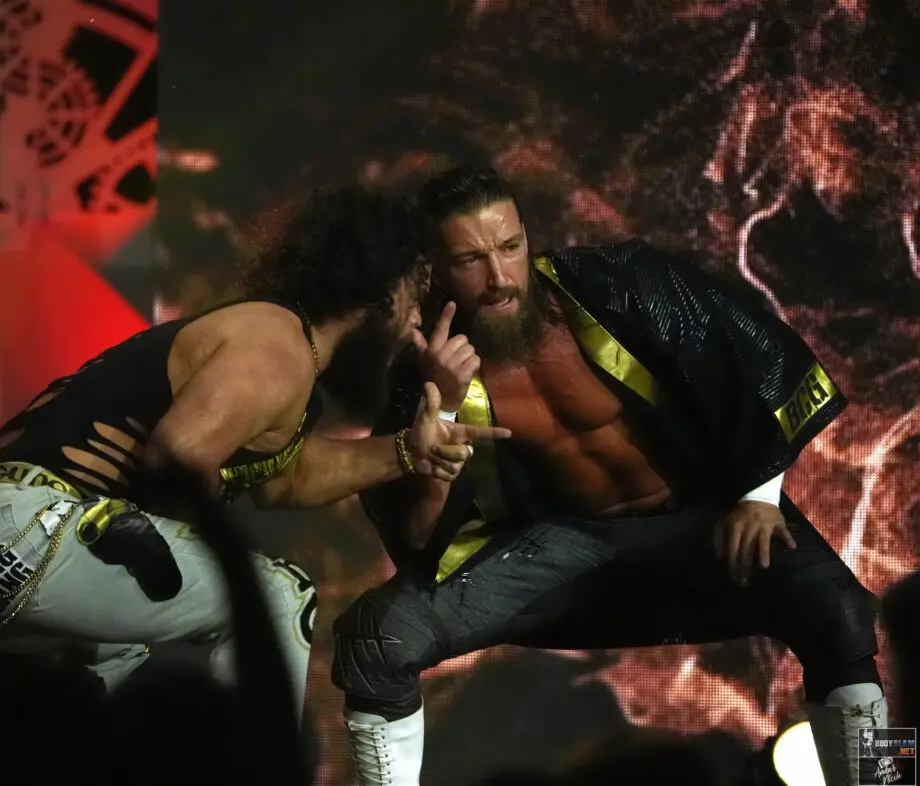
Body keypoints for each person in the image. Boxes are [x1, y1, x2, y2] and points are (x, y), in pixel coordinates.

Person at [332, 167, 885, 786]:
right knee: (380, 638)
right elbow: (417, 540)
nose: (499, 278)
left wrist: (759, 497)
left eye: (510, 247)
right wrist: (444, 406)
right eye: (470, 260)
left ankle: (887, 780)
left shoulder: (623, 284)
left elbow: (752, 358)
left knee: (840, 609)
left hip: (702, 522)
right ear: (433, 268)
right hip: (564, 549)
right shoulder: (420, 372)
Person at [0, 185, 509, 722]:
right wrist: (229, 557)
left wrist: (408, 450)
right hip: (23, 531)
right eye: (413, 296)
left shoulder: (277, 355)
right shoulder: (277, 349)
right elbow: (175, 459)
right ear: (378, 291)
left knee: (112, 679)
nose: (414, 322)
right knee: (280, 596)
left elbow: (287, 478)